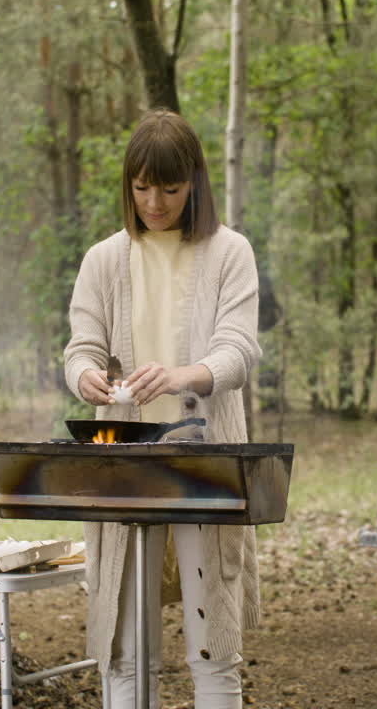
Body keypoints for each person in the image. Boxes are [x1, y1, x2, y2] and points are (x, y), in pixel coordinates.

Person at [63, 109, 262, 709]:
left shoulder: (229, 252)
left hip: (202, 463)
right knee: (125, 649)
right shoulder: (104, 259)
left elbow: (239, 351)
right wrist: (87, 379)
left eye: (169, 189)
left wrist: (181, 375)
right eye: (142, 187)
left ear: (194, 184)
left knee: (213, 645)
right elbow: (80, 350)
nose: (154, 202)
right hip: (120, 466)